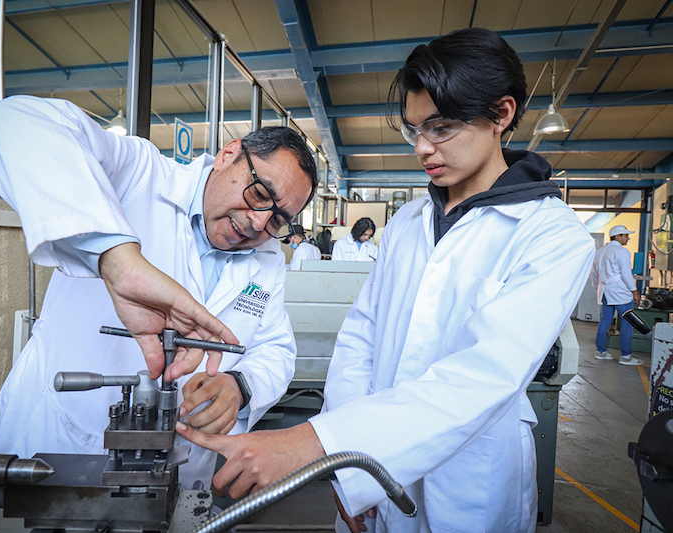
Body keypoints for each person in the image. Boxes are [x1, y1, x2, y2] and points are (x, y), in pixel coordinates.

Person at [178, 27, 595, 533]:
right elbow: (361, 338)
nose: (422, 148)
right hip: (363, 467)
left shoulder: (552, 235)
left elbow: (481, 376)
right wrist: (348, 467)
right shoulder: (407, 222)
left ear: (501, 115)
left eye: (440, 128)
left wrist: (317, 444)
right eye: (413, 129)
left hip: (469, 484)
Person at [0, 95, 318, 495]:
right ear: (229, 154)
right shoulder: (139, 174)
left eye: (278, 219)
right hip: (59, 441)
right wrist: (116, 260)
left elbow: (275, 348)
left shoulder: (268, 257)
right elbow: (11, 121)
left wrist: (240, 386)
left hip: (179, 471)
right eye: (259, 193)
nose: (258, 222)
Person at [592, 225, 643, 365]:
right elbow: (626, 274)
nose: (628, 238)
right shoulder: (622, 252)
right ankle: (626, 356)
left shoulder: (600, 251)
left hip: (604, 289)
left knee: (605, 320)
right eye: (626, 235)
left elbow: (594, 273)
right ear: (617, 237)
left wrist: (598, 285)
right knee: (627, 322)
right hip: (620, 291)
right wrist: (634, 291)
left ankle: (601, 351)